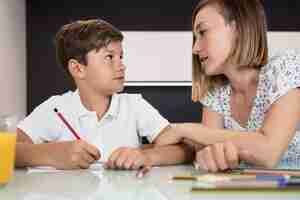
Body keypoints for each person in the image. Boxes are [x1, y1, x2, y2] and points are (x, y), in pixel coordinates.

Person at [15, 19, 192, 171]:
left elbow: (184, 149)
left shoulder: (134, 105)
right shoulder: (55, 108)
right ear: (78, 68)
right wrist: (51, 154)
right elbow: (7, 150)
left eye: (121, 57)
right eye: (109, 57)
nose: (122, 65)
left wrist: (147, 157)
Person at [155, 0, 300, 172]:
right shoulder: (216, 95)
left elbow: (268, 151)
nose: (195, 48)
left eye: (203, 32)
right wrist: (209, 156)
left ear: (238, 29)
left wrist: (184, 129)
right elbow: (206, 150)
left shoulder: (285, 68)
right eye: (195, 37)